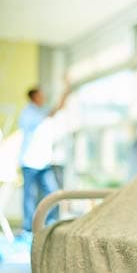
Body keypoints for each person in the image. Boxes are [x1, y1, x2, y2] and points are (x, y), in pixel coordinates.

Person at [18, 83, 70, 240]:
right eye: (41, 95)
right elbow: (53, 111)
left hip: (44, 162)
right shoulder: (28, 113)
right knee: (29, 196)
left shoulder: (40, 111)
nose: (44, 97)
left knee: (52, 193)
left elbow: (57, 109)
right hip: (29, 162)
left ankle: (50, 224)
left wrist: (66, 90)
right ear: (34, 96)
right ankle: (28, 229)